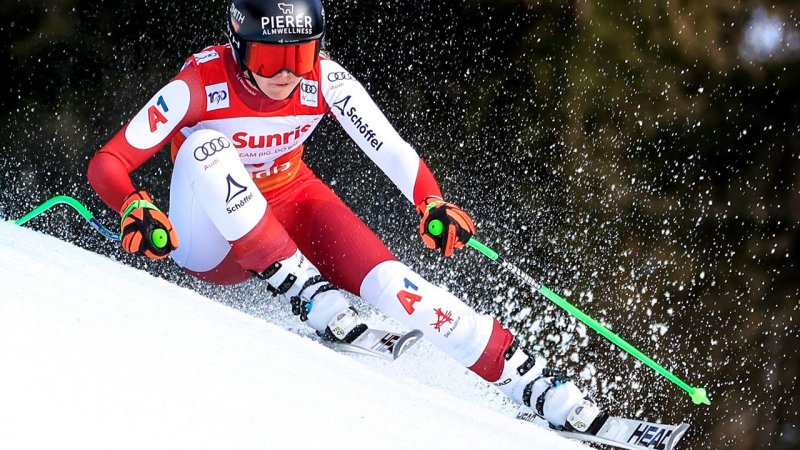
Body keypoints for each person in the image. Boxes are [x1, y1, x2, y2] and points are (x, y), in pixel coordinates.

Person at [87, 0, 606, 434]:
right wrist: (135, 204)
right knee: (205, 144)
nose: (287, 73)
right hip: (211, 241)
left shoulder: (323, 79)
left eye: (301, 54)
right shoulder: (200, 82)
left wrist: (430, 200)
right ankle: (305, 291)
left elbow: (389, 148)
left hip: (292, 205)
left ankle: (537, 385)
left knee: (398, 284)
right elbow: (108, 163)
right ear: (239, 48)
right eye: (270, 60)